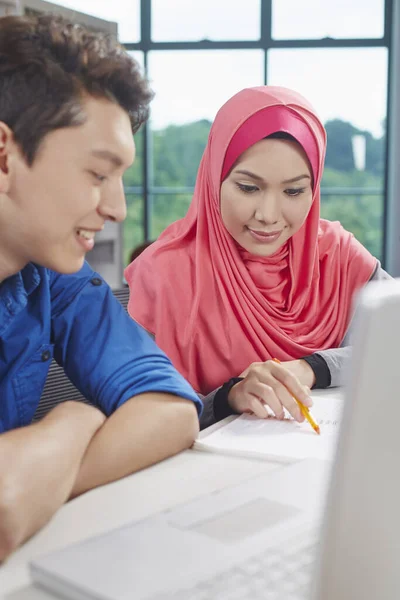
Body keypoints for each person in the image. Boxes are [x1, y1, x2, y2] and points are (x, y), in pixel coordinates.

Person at [0, 14, 202, 561]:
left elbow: (171, 410)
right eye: (96, 174)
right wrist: (78, 419)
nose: (117, 209)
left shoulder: (54, 277)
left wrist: (43, 466)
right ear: (4, 157)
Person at [125, 85, 390, 430]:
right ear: (214, 178)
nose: (268, 214)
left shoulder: (339, 255)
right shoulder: (164, 273)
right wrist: (229, 396)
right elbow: (137, 418)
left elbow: (391, 345)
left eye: (294, 191)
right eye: (249, 188)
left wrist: (311, 367)